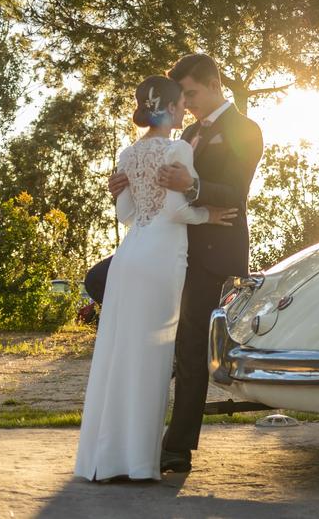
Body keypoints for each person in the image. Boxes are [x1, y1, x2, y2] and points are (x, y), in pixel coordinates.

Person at [74, 75, 237, 481]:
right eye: (182, 103)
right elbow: (178, 212)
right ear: (168, 107)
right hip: (162, 259)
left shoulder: (128, 153)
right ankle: (138, 462)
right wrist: (210, 215)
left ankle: (107, 459)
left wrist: (121, 192)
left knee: (120, 352)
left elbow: (126, 215)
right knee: (152, 357)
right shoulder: (178, 147)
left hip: (130, 255)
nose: (185, 110)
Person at [119, 53, 263, 473]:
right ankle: (144, 430)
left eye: (192, 93)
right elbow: (160, 189)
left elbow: (236, 191)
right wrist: (127, 184)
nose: (187, 102)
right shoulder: (189, 131)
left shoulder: (246, 129)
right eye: (183, 95)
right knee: (159, 339)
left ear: (214, 85)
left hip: (214, 254)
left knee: (190, 347)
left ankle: (177, 447)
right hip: (170, 248)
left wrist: (194, 185)